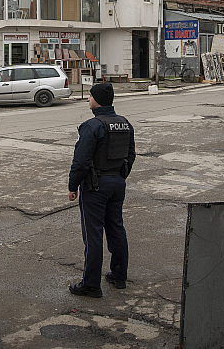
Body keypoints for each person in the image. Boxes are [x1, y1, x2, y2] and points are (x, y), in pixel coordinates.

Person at [67, 82, 136, 298]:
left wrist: (73, 185)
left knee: (93, 234)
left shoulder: (92, 126)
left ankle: (90, 284)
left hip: (96, 186)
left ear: (97, 100)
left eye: (90, 95)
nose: (88, 98)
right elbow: (131, 155)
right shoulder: (124, 123)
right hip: (117, 182)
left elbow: (81, 161)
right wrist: (120, 176)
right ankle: (119, 275)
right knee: (116, 228)